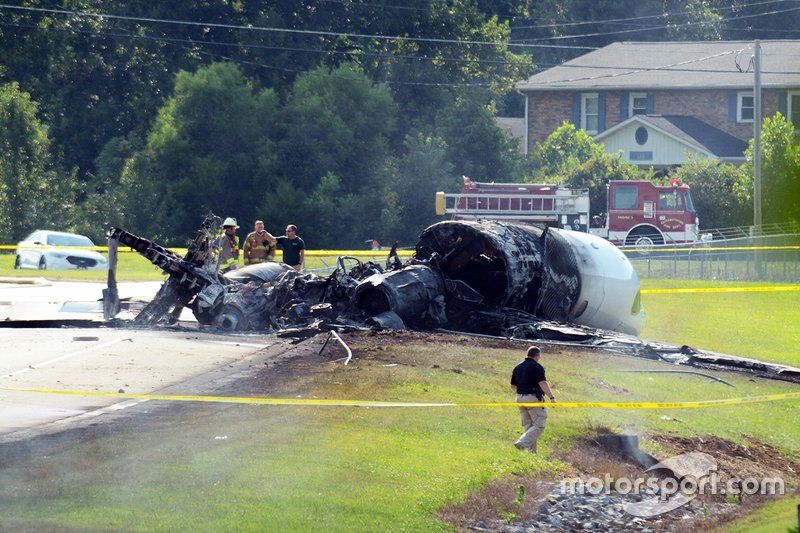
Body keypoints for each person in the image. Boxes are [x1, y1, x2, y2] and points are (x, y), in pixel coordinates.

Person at [510, 345, 556, 453]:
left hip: (519, 398)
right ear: (537, 356)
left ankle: (532, 453)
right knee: (540, 425)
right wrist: (552, 397)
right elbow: (542, 383)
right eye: (539, 356)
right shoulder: (537, 367)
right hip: (533, 399)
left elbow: (513, 385)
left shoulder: (517, 367)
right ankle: (522, 443)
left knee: (529, 426)